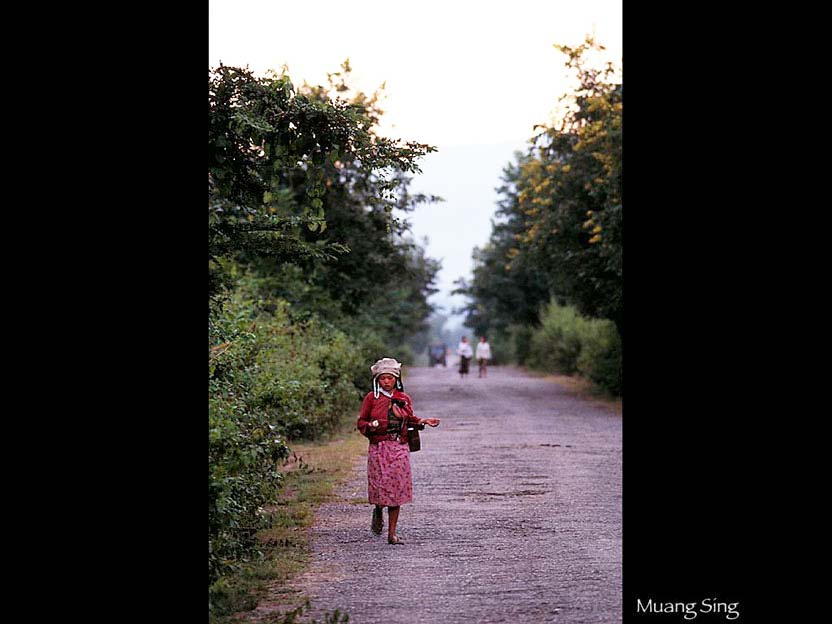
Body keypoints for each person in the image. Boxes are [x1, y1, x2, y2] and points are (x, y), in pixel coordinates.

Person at [356, 357, 440, 545]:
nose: (386, 382)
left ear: (396, 379)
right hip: (379, 448)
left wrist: (423, 421)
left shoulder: (403, 398)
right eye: (383, 378)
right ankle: (378, 508)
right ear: (377, 380)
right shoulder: (372, 398)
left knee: (396, 490)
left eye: (390, 378)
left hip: (399, 447)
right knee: (380, 486)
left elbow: (410, 419)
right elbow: (361, 422)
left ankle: (392, 534)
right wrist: (371, 426)